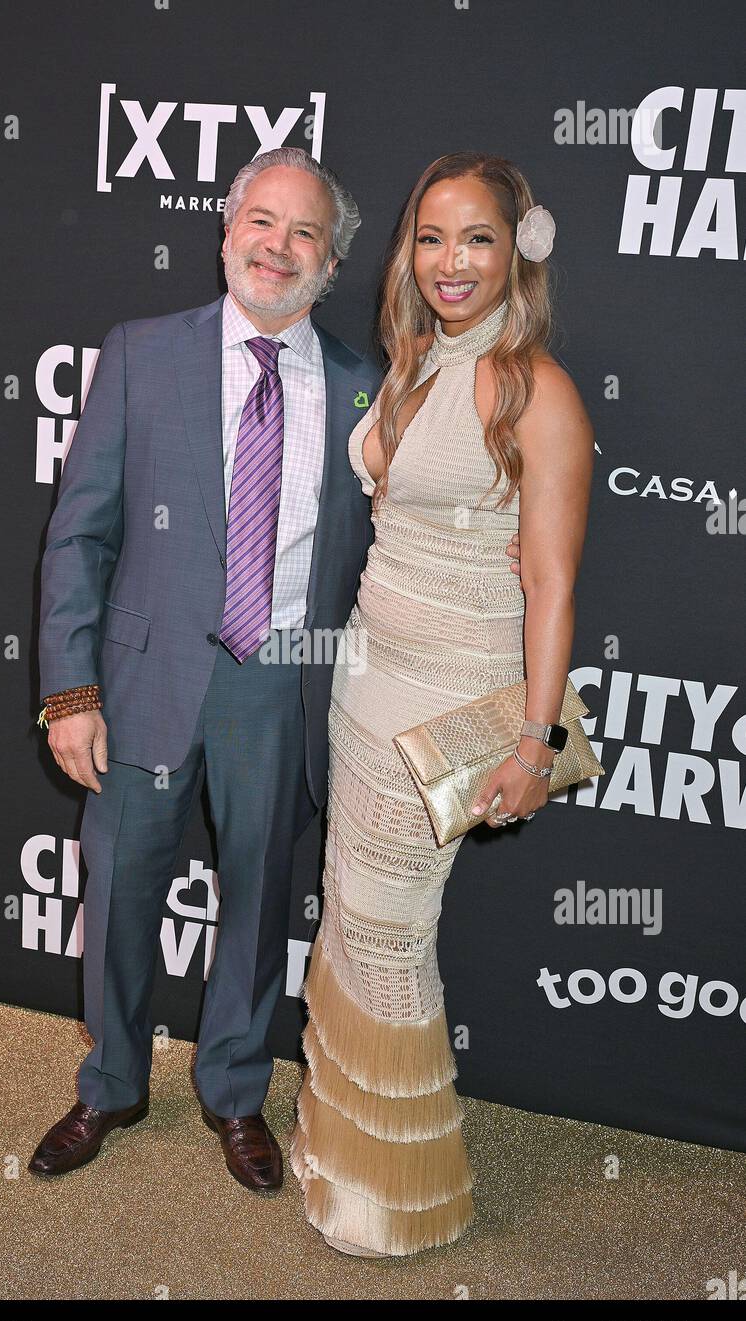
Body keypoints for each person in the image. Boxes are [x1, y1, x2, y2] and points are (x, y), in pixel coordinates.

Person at [29, 148, 522, 1193]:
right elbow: (78, 537)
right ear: (223, 232)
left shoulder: (365, 389)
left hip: (281, 689)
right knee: (118, 895)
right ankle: (110, 1081)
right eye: (261, 220)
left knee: (257, 911)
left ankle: (234, 1092)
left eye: (304, 233)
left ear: (333, 262)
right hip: (144, 683)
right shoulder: (140, 353)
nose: (277, 246)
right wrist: (71, 691)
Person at [289, 152, 594, 1256]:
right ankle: (338, 1143)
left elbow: (553, 579)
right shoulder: (411, 363)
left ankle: (391, 1188)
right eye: (429, 237)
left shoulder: (534, 388)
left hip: (449, 701)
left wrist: (533, 736)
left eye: (473, 237)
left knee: (387, 935)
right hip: (364, 681)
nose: (449, 261)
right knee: (349, 911)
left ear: (519, 245)